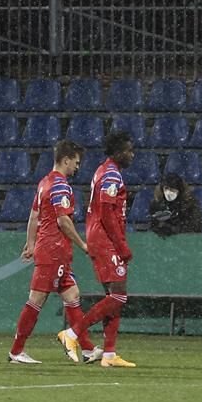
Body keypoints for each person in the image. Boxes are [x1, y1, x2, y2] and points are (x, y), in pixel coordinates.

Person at [9, 140, 102, 365]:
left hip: (52, 250)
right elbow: (63, 221)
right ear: (66, 160)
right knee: (36, 300)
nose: (77, 167)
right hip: (53, 251)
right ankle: (16, 351)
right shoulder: (61, 186)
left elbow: (34, 216)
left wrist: (31, 243)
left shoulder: (44, 183)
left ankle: (88, 348)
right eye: (76, 163)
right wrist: (84, 245)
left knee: (72, 295)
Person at [57, 131, 137, 368]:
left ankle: (109, 355)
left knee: (113, 297)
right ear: (117, 151)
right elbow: (106, 213)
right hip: (105, 239)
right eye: (128, 150)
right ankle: (72, 334)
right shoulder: (111, 174)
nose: (131, 155)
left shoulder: (105, 171)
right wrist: (121, 245)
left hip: (100, 237)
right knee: (119, 295)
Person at [148, 173, 202, 238]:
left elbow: (194, 227)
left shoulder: (191, 205)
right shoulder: (157, 204)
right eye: (166, 188)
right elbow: (153, 224)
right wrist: (159, 228)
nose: (168, 192)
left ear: (179, 190)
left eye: (172, 189)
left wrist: (172, 229)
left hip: (185, 241)